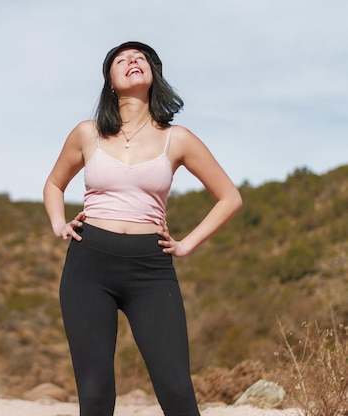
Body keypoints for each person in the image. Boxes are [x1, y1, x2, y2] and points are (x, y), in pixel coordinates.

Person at [43, 41, 243, 416]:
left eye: (141, 58)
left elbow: (229, 197)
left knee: (177, 391)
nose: (133, 61)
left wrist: (186, 245)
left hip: (151, 269)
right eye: (122, 59)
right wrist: (58, 223)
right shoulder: (88, 133)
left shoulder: (177, 138)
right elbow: (54, 184)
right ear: (111, 81)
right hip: (88, 265)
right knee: (97, 394)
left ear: (153, 74)